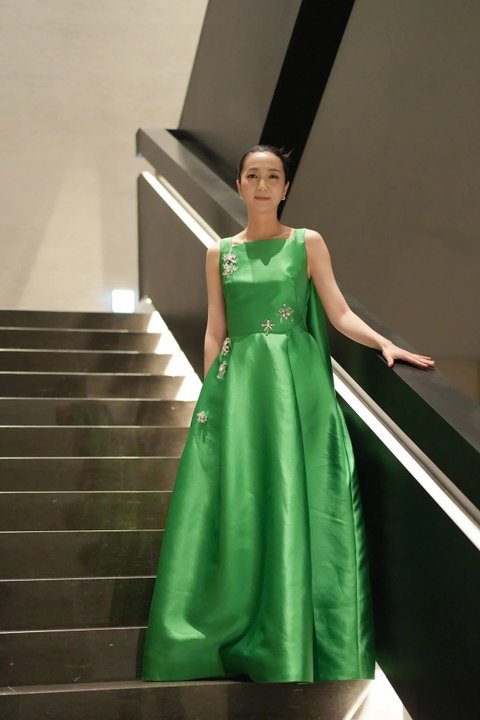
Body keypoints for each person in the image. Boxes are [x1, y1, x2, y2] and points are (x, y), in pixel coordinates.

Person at [142, 145, 435, 684]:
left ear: (285, 187)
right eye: (252, 175)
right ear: (238, 185)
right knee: (245, 496)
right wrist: (212, 397)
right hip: (240, 387)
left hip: (295, 389)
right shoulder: (219, 253)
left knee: (294, 493)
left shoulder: (307, 243)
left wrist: (384, 343)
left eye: (272, 176)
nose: (262, 184)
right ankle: (237, 628)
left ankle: (294, 635)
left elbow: (338, 312)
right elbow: (215, 330)